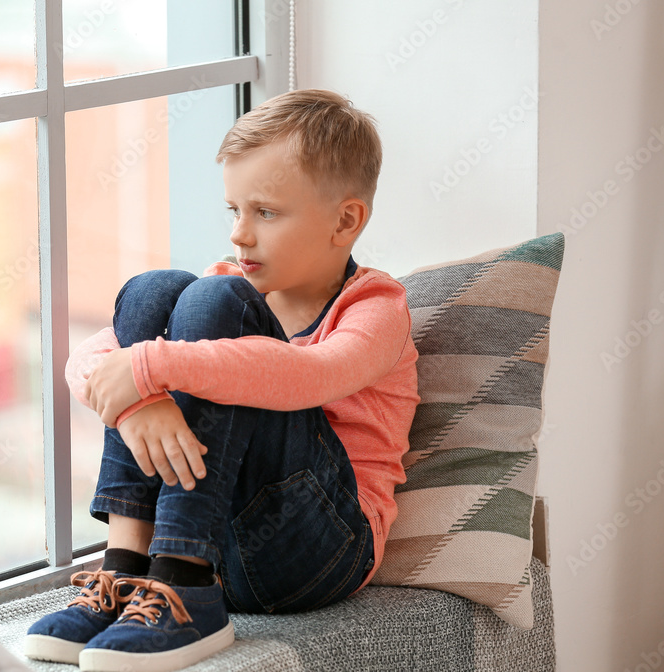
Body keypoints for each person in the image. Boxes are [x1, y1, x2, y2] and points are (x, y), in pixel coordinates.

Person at [25, 88, 420, 672]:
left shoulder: (374, 308)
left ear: (345, 220)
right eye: (233, 210)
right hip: (216, 538)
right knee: (153, 290)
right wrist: (141, 403)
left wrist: (150, 369)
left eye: (265, 212)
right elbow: (90, 359)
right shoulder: (229, 286)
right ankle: (127, 569)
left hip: (316, 549)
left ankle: (185, 583)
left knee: (213, 301)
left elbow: (310, 376)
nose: (240, 234)